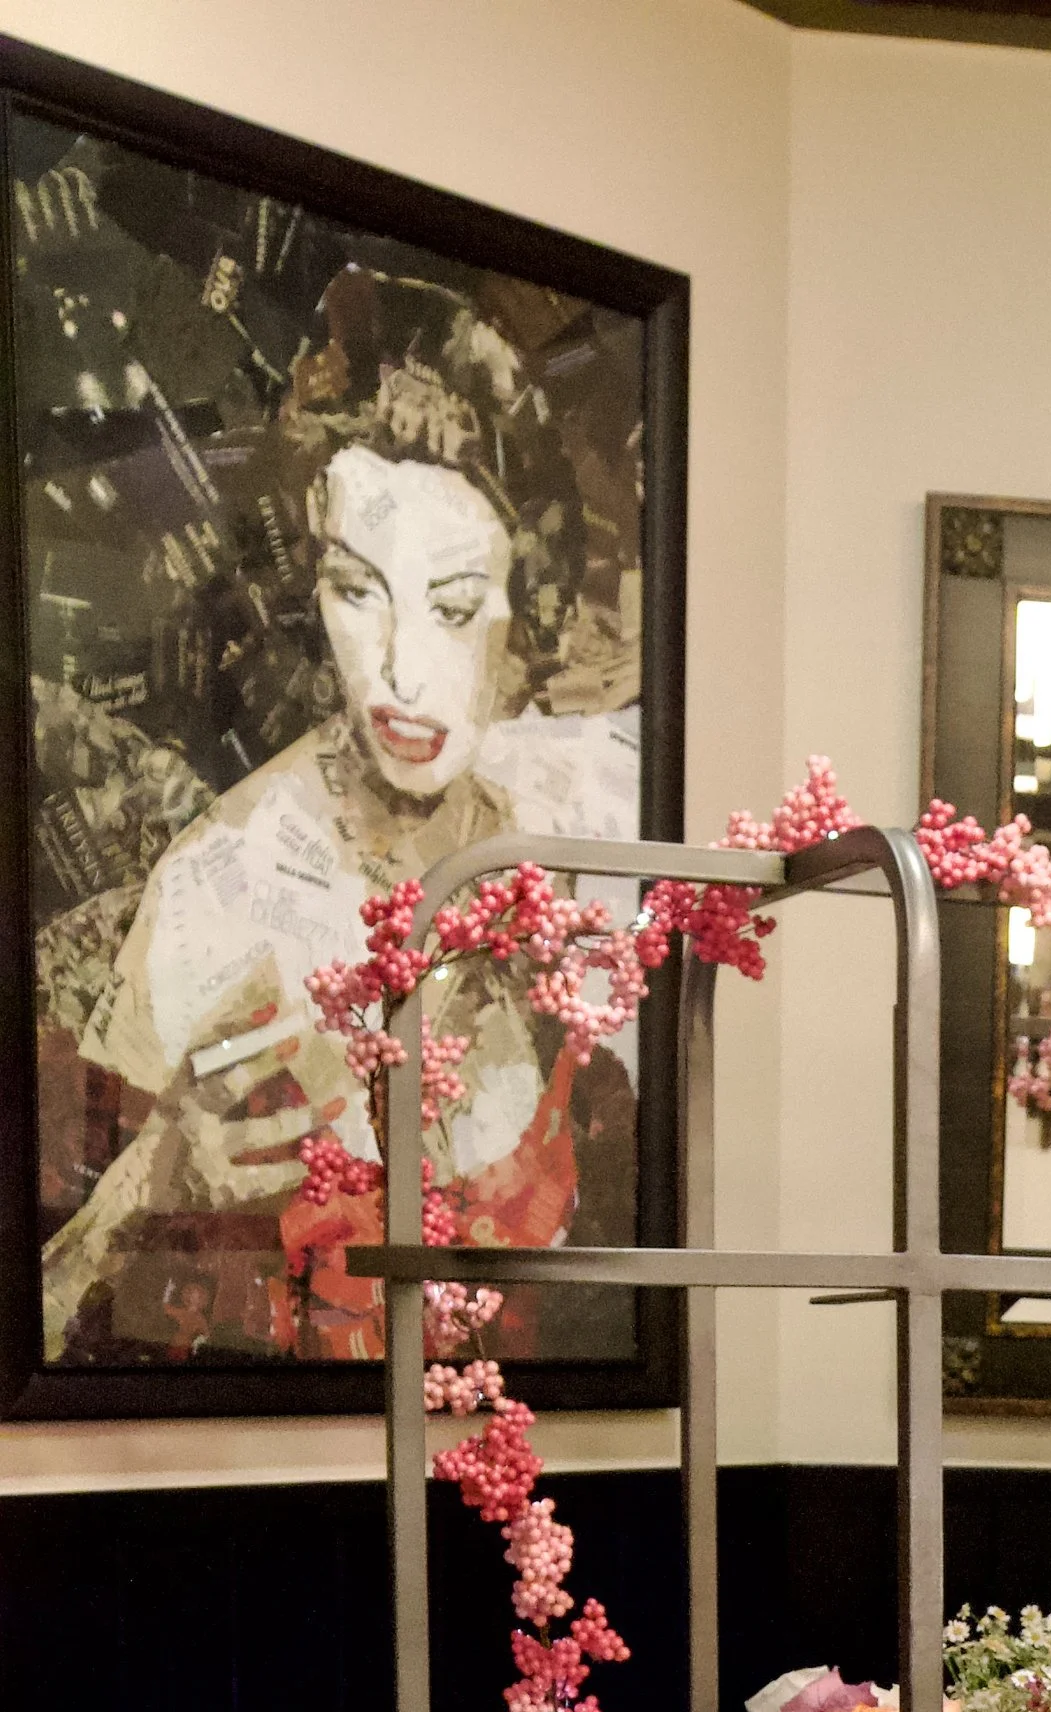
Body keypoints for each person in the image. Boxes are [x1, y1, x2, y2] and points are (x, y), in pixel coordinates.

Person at [40, 268, 640, 1365]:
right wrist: (171, 1182)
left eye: (453, 608)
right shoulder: (224, 887)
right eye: (357, 591)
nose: (401, 673)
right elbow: (44, 1324)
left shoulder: (557, 851)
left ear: (528, 609)